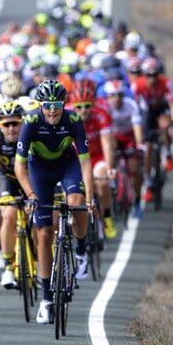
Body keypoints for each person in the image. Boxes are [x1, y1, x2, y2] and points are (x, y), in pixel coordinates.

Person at [14, 80, 96, 324]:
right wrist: (30, 194)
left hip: (66, 165)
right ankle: (47, 299)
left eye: (57, 105)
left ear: (64, 104)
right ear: (41, 105)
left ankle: (81, 250)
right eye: (47, 105)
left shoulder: (72, 121)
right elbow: (19, 166)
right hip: (38, 171)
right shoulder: (31, 122)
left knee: (76, 201)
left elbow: (85, 162)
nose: (52, 110)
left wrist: (90, 198)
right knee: (44, 234)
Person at [67, 79, 116, 246]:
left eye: (87, 106)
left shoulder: (101, 114)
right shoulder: (67, 115)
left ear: (93, 103)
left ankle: (107, 215)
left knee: (102, 181)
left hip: (97, 157)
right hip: (76, 160)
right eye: (79, 107)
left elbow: (107, 143)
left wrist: (110, 168)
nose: (83, 111)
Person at [0, 100, 25, 289]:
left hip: (27, 178)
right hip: (7, 179)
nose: (11, 129)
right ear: (0, 124)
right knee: (9, 214)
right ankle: (9, 266)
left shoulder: (28, 136)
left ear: (21, 122)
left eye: (15, 123)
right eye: (6, 124)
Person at [131, 57, 173, 203]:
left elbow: (172, 105)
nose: (151, 79)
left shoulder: (165, 83)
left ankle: (167, 153)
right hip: (147, 112)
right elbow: (134, 110)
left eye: (154, 75)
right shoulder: (137, 85)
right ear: (143, 75)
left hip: (161, 108)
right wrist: (138, 131)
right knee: (147, 148)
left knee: (166, 125)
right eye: (148, 76)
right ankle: (149, 183)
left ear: (158, 74)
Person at [104, 80, 145, 220]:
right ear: (107, 96)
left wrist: (139, 143)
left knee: (134, 171)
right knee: (107, 169)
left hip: (129, 138)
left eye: (119, 95)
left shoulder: (131, 105)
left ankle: (138, 202)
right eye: (112, 95)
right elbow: (105, 134)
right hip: (113, 139)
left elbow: (137, 126)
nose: (116, 99)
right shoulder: (104, 107)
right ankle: (112, 192)